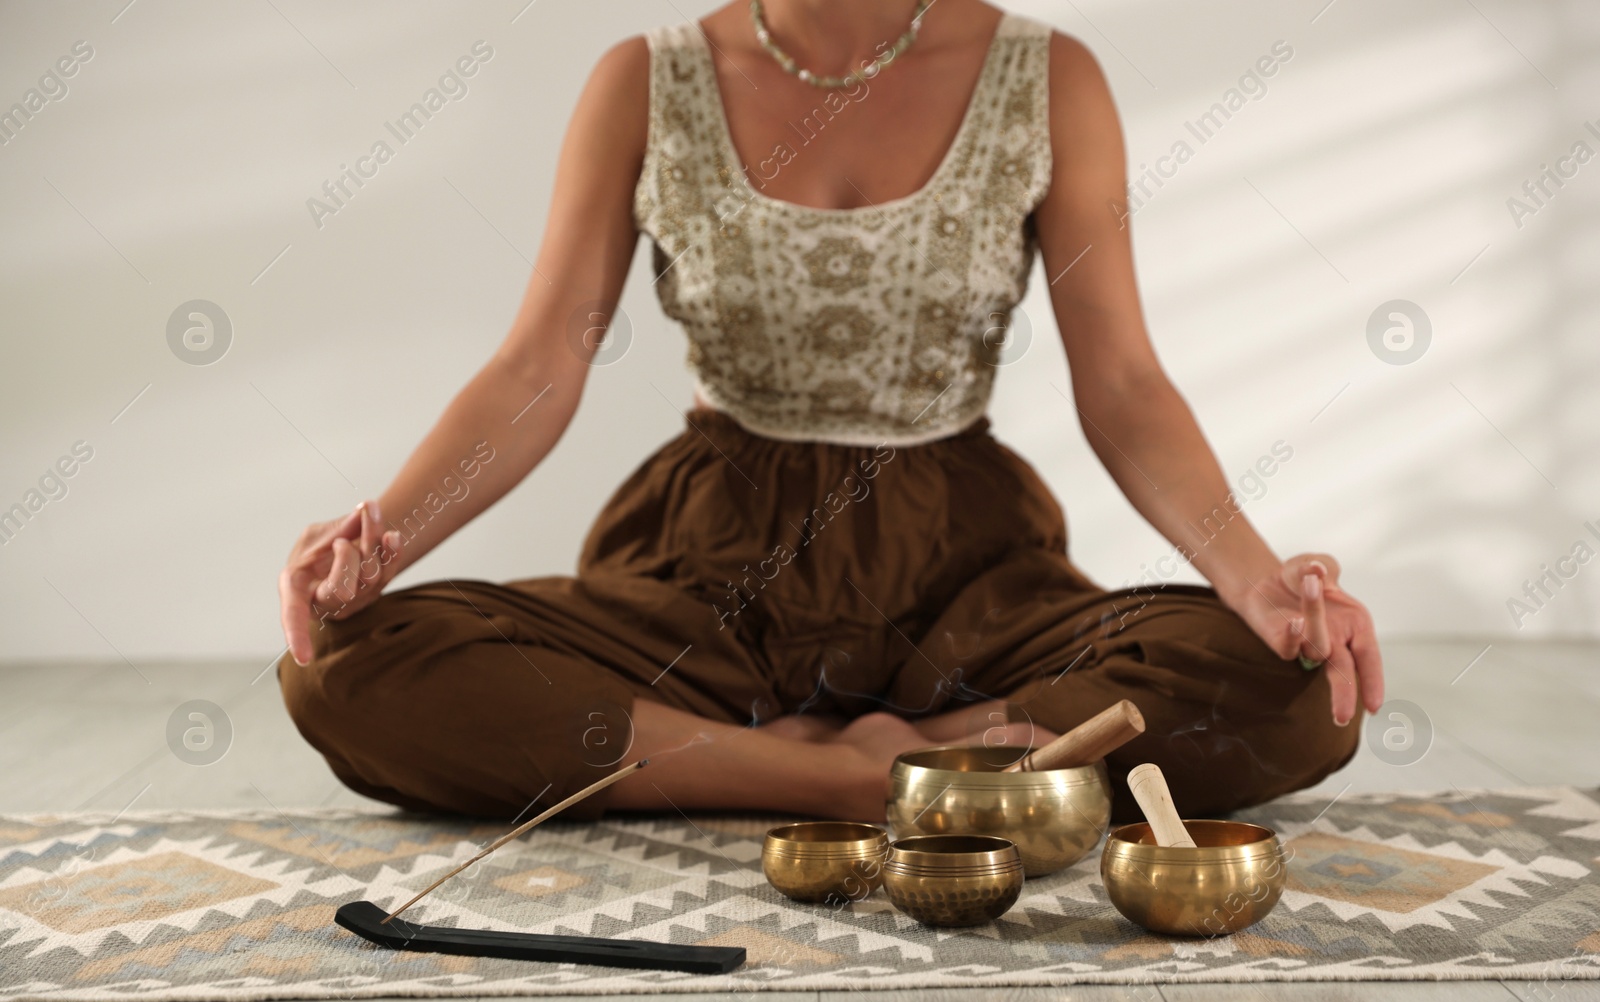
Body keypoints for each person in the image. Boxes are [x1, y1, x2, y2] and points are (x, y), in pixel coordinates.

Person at [277, 0, 1383, 826]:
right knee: (343, 662)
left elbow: (1125, 386)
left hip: (966, 582)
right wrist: (381, 543)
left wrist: (1260, 582)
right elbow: (536, 366)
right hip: (705, 577)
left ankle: (902, 743)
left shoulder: (1046, 76)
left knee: (1300, 694)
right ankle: (852, 774)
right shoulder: (645, 79)